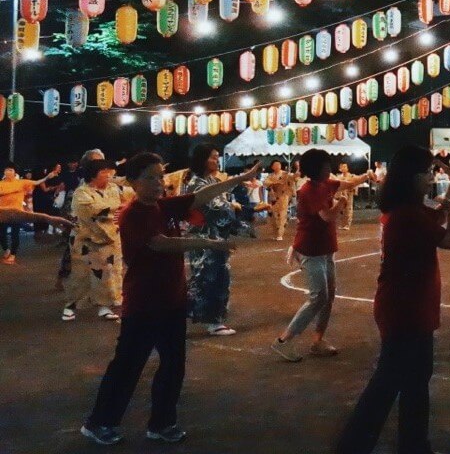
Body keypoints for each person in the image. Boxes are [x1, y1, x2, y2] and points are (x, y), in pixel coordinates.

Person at [80, 154, 259, 446]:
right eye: (150, 178)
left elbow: (201, 196)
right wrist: (208, 242)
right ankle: (99, 422)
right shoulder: (132, 214)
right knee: (127, 366)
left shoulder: (162, 205)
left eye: (160, 177)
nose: (158, 183)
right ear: (132, 182)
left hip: (173, 301)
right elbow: (161, 244)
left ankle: (162, 423)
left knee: (174, 365)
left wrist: (240, 178)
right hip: (144, 305)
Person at [334, 145, 450, 454]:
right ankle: (355, 446)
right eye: (428, 173)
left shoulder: (407, 210)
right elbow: (449, 239)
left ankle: (413, 444)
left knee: (414, 380)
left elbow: (438, 214)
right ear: (414, 178)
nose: (431, 178)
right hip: (407, 309)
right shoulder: (409, 216)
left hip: (410, 306)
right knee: (389, 383)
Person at [271, 149, 372, 362]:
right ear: (316, 168)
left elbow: (348, 184)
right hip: (311, 249)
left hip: (325, 248)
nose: (329, 168)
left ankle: (317, 341)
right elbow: (327, 216)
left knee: (328, 296)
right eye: (326, 165)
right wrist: (340, 204)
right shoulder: (308, 190)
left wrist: (366, 176)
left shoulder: (327, 183)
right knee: (319, 297)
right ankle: (283, 340)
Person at [182, 144, 254, 337]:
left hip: (217, 237)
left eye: (217, 156)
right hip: (205, 239)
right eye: (213, 157)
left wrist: (233, 207)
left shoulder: (212, 181)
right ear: (202, 160)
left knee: (213, 278)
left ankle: (206, 317)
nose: (216, 160)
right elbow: (216, 210)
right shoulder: (196, 184)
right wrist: (238, 211)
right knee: (209, 279)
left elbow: (223, 205)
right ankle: (213, 321)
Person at [61, 159, 125, 322]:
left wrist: (124, 209)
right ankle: (71, 305)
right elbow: (92, 211)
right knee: (81, 274)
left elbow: (130, 197)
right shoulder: (81, 192)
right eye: (103, 172)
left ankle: (104, 305)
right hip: (85, 239)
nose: (108, 175)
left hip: (110, 239)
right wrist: (117, 210)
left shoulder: (114, 188)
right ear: (92, 175)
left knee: (108, 273)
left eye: (109, 171)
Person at [0, 162, 61, 264]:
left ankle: (13, 254)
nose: (8, 172)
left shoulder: (22, 182)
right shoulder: (1, 184)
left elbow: (37, 182)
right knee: (2, 234)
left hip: (17, 212)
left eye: (10, 170)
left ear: (15, 172)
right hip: (3, 213)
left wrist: (47, 177)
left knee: (15, 234)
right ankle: (6, 249)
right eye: (6, 170)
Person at [262, 160, 299, 241]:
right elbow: (265, 183)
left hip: (283, 197)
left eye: (279, 164)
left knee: (282, 215)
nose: (278, 165)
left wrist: (298, 168)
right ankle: (275, 233)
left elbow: (294, 177)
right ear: (272, 167)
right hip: (273, 198)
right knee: (273, 216)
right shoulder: (270, 176)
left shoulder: (286, 174)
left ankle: (280, 234)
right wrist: (274, 183)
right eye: (275, 164)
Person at [334, 162, 359, 229]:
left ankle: (347, 224)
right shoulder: (339, 177)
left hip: (349, 194)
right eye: (342, 167)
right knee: (341, 209)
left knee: (348, 209)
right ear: (340, 169)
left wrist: (353, 190)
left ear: (347, 168)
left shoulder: (351, 176)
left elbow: (355, 184)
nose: (344, 168)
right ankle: (342, 224)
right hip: (341, 195)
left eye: (345, 167)